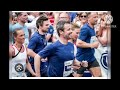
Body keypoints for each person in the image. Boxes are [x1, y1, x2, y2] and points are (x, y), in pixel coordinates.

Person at [75, 12, 102, 77]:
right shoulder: (85, 28)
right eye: (94, 17)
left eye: (97, 17)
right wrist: (92, 45)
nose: (96, 19)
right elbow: (78, 43)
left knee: (99, 76)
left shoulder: (93, 27)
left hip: (91, 58)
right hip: (82, 59)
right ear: (88, 18)